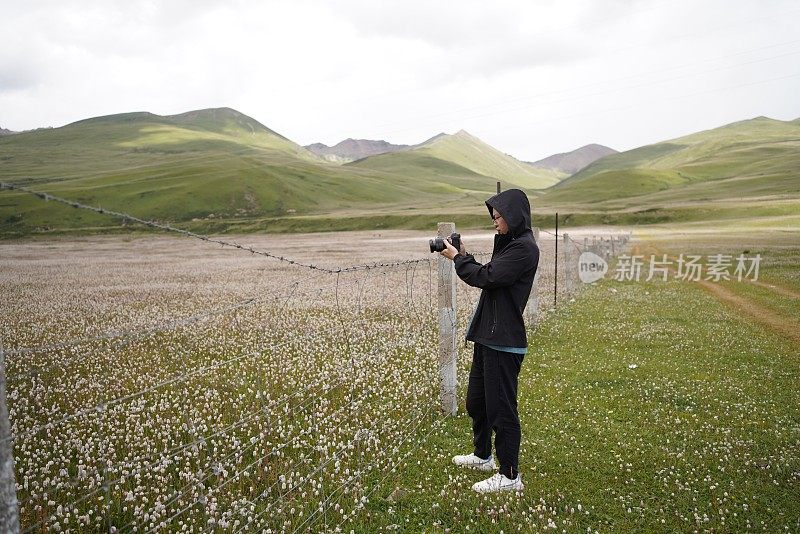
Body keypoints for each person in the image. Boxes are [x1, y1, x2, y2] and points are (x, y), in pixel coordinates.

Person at [439, 188, 539, 493]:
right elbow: (490, 271)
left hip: (504, 341)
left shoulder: (524, 249)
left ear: (513, 216)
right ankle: (483, 456)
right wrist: (465, 255)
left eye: (499, 217)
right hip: (488, 336)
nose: (495, 223)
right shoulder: (511, 244)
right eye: (494, 217)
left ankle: (510, 476)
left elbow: (486, 277)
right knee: (478, 403)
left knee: (501, 409)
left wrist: (458, 259)